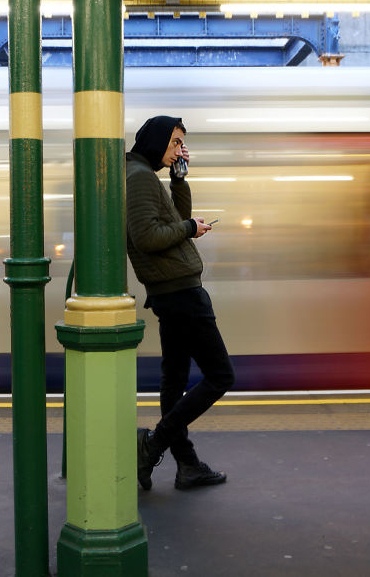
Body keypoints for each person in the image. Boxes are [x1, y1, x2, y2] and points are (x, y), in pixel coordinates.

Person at [125, 115, 236, 491]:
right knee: (221, 376)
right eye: (174, 143)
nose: (178, 150)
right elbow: (147, 237)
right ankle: (153, 445)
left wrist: (179, 180)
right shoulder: (138, 177)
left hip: (171, 291)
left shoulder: (147, 175)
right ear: (156, 141)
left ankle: (186, 464)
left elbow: (176, 218)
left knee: (174, 380)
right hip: (180, 293)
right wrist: (190, 229)